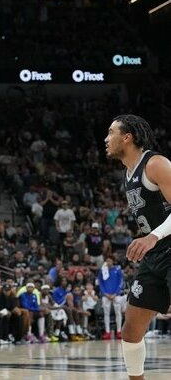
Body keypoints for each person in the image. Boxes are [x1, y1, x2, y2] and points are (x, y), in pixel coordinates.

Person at [105, 114, 171, 380]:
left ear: (127, 137)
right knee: (131, 330)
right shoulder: (128, 173)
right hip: (155, 255)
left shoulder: (156, 164)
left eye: (111, 132)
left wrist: (152, 236)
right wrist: (148, 239)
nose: (106, 139)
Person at [97, 255, 125, 340]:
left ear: (113, 261)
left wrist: (115, 293)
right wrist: (105, 293)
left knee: (118, 313)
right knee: (106, 313)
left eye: (109, 260)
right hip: (106, 295)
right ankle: (107, 332)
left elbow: (120, 282)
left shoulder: (117, 269)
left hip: (116, 295)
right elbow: (100, 283)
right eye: (107, 261)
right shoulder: (102, 270)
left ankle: (119, 331)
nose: (108, 262)